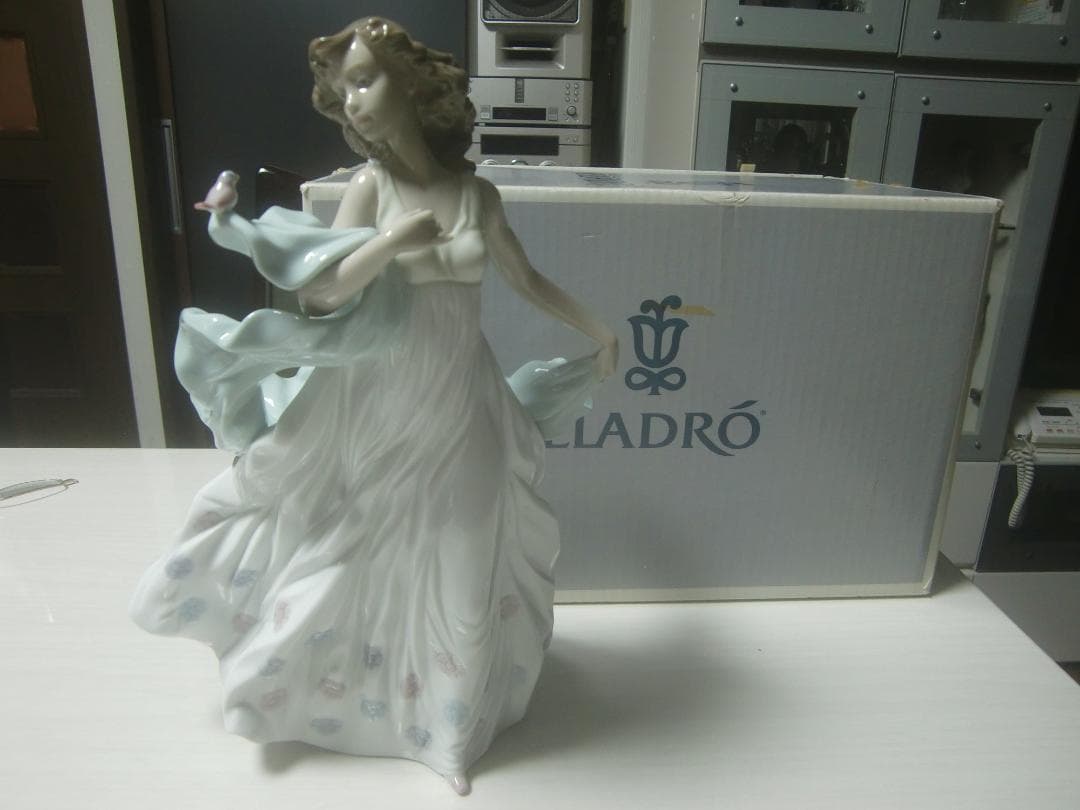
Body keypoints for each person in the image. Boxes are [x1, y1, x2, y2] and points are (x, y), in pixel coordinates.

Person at [129, 16, 616, 796]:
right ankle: (321, 694)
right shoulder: (370, 188)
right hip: (376, 400)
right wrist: (390, 243)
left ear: (412, 84)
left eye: (364, 80)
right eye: (343, 89)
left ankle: (450, 728)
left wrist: (597, 329)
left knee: (467, 552)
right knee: (351, 547)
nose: (352, 101)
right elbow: (319, 294)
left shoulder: (475, 194)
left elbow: (526, 280)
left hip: (460, 397)